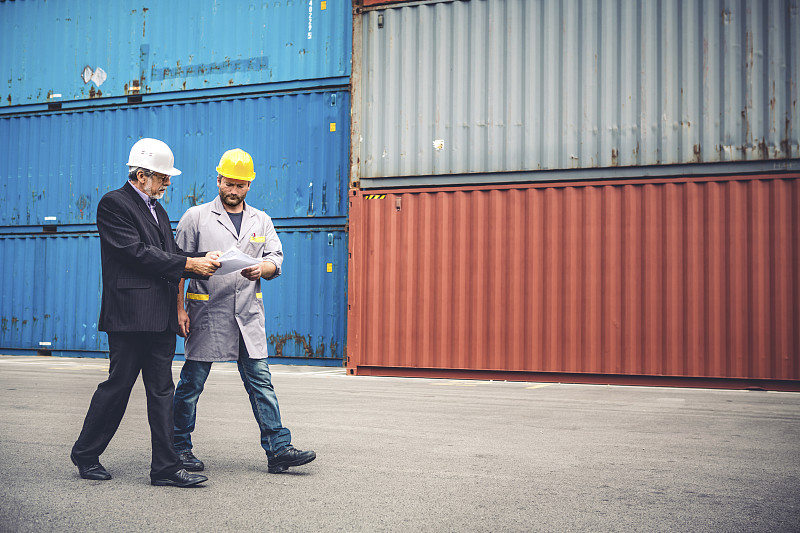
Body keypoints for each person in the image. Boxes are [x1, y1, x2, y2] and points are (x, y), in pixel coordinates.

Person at [71, 138, 222, 487]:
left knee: (161, 392)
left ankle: (165, 468)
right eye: (163, 177)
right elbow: (136, 253)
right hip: (130, 315)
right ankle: (86, 453)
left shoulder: (158, 209)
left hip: (160, 317)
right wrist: (188, 263)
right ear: (141, 175)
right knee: (118, 387)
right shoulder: (114, 205)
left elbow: (167, 252)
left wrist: (204, 259)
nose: (168, 183)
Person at [172, 148, 316, 474]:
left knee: (261, 383)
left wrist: (262, 268)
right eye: (228, 183)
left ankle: (278, 448)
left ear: (249, 185)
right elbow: (176, 268)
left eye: (240, 185)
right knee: (192, 384)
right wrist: (178, 310)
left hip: (247, 315)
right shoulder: (195, 218)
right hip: (207, 314)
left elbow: (275, 258)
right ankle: (178, 448)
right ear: (218, 179)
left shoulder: (261, 219)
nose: (233, 190)